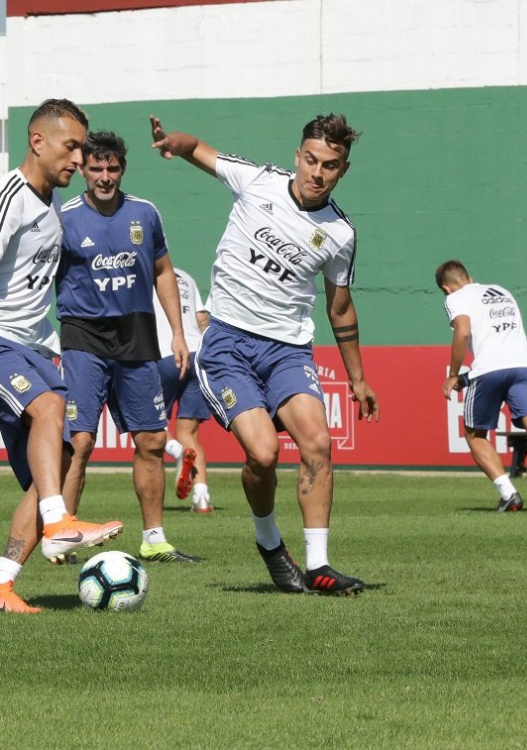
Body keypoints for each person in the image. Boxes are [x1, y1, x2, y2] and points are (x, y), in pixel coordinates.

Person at [150, 111, 379, 595]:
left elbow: (340, 308)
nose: (317, 173)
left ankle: (318, 563)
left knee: (318, 443)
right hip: (228, 343)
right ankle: (270, 543)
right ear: (297, 156)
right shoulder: (258, 182)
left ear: (344, 170)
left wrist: (357, 378)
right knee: (264, 453)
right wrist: (175, 140)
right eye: (311, 160)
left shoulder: (340, 234)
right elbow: (198, 149)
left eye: (330, 165)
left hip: (288, 351)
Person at [0, 100, 125, 613]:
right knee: (51, 408)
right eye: (71, 146)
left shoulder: (51, 205)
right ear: (37, 142)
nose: (80, 157)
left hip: (30, 346)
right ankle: (59, 521)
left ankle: (3, 582)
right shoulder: (11, 198)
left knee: (65, 453)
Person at [56, 131, 199, 564]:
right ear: (82, 169)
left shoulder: (144, 214)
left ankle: (154, 539)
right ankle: (63, 534)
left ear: (123, 168)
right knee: (79, 441)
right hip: (83, 337)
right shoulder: (63, 218)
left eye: (112, 168)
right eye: (96, 168)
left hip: (137, 337)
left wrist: (177, 331)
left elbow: (163, 272)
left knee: (153, 440)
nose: (104, 177)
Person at [436, 260, 527, 513]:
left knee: (474, 435)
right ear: (470, 277)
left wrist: (454, 374)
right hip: (524, 368)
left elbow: (463, 332)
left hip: (488, 372)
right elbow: (501, 345)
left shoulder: (455, 298)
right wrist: (466, 379)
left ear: (446, 288)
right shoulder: (502, 292)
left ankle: (509, 493)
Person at [154, 265, 213, 513]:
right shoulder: (186, 276)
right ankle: (202, 498)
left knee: (150, 426)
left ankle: (178, 452)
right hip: (197, 356)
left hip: (166, 354)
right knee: (190, 432)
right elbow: (202, 319)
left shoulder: (144, 273)